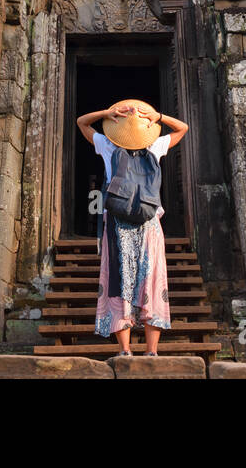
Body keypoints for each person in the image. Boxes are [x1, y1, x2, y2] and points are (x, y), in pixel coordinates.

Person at [76, 99, 189, 356]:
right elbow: (183, 128)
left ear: (119, 129)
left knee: (119, 282)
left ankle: (125, 350)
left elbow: (81, 122)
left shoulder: (107, 145)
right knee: (151, 281)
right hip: (149, 223)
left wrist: (106, 113)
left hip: (117, 222)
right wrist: (158, 116)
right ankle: (152, 351)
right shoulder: (155, 145)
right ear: (145, 129)